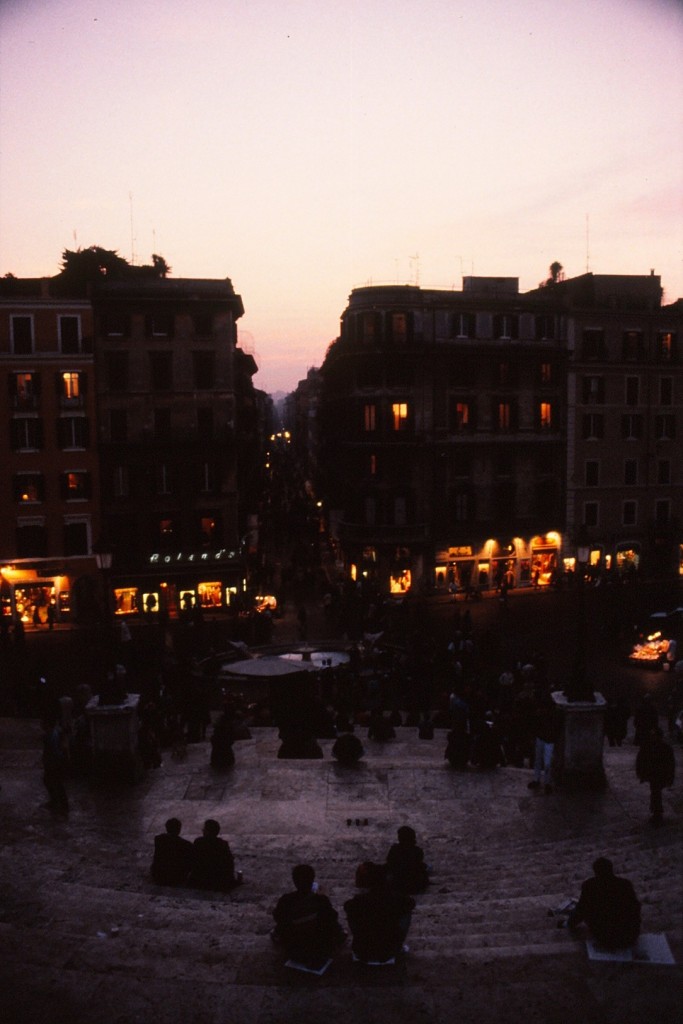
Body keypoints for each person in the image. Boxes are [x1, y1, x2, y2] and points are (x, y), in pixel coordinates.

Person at [271, 864, 346, 963]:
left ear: (294, 881)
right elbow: (332, 918)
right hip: (318, 945)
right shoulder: (321, 900)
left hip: (294, 946)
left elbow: (278, 917)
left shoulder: (286, 900)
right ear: (312, 880)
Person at [344, 862, 415, 964]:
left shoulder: (359, 901)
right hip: (389, 950)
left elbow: (347, 907)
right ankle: (397, 945)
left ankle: (362, 939)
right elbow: (410, 903)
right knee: (406, 912)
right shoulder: (394, 899)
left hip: (362, 951)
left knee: (352, 913)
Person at [567, 857, 641, 950]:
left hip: (604, 936)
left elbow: (582, 910)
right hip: (630, 935)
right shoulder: (625, 884)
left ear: (595, 871)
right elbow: (635, 907)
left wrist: (569, 923)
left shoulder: (590, 886)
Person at [635, 726, 676, 826]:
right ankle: (656, 811)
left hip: (659, 774)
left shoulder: (664, 748)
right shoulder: (648, 747)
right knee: (655, 792)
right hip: (653, 774)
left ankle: (656, 811)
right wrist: (641, 773)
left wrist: (670, 777)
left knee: (655, 792)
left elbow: (670, 764)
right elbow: (640, 761)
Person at [188, 819, 240, 891]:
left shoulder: (199, 842)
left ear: (207, 831)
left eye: (204, 829)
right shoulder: (222, 844)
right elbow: (228, 862)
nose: (202, 830)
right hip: (217, 880)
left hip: (200, 879)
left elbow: (193, 859)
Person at [527, 690, 560, 794]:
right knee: (544, 762)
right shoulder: (551, 714)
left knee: (544, 762)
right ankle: (544, 782)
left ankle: (543, 781)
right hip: (546, 739)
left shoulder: (541, 713)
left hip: (544, 738)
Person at [385, 825, 429, 895]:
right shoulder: (417, 851)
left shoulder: (395, 850)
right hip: (412, 882)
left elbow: (389, 863)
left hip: (400, 882)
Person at [151, 817, 193, 886]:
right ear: (179, 830)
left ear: (166, 828)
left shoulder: (158, 839)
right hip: (177, 877)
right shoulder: (186, 844)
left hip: (159, 874)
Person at [41, 714, 69, 815]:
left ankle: (61, 804)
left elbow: (53, 751)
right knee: (51, 781)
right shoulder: (53, 733)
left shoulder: (52, 735)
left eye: (43, 724)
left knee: (55, 782)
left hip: (54, 762)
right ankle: (58, 802)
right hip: (54, 761)